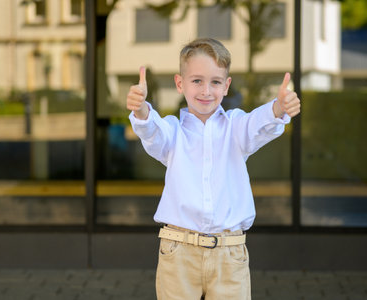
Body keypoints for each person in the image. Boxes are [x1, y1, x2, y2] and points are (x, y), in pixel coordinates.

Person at [126, 38, 300, 300]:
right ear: (179, 83)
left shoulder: (236, 127)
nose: (206, 90)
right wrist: (140, 109)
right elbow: (152, 131)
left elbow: (258, 123)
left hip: (229, 254)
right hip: (178, 251)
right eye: (197, 81)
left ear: (226, 86)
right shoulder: (172, 130)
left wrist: (278, 107)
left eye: (215, 82)